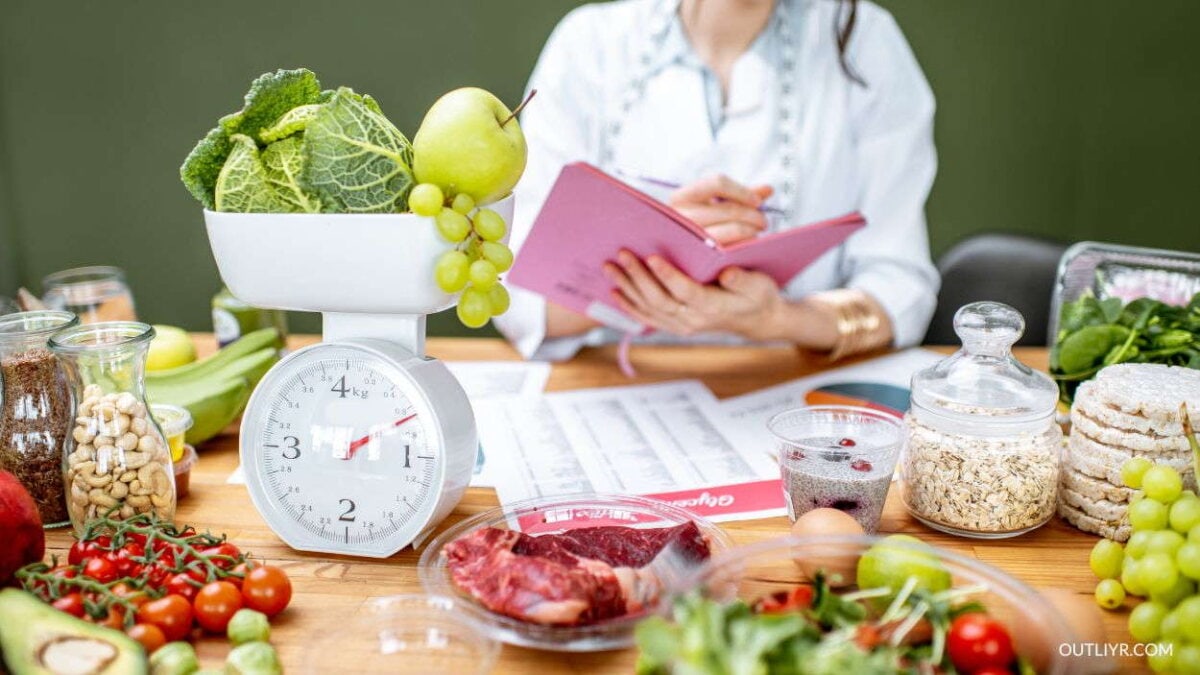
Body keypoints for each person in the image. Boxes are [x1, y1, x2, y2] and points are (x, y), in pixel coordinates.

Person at [495, 0, 939, 363]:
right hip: (619, 387)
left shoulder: (864, 43)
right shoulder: (590, 45)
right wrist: (656, 253)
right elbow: (516, 299)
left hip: (789, 388)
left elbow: (900, 293)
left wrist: (777, 319)